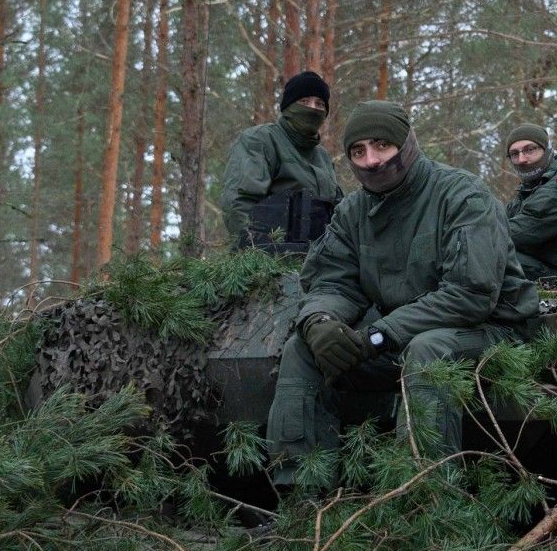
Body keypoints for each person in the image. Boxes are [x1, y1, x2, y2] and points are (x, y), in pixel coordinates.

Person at [266, 101, 538, 485]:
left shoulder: (462, 195)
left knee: (428, 348)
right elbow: (333, 281)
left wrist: (378, 336)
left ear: (406, 144)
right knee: (303, 349)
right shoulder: (352, 211)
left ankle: (423, 495)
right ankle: (301, 496)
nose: (371, 160)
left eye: (382, 145)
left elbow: (471, 295)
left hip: (492, 332)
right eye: (358, 151)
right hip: (399, 338)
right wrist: (319, 321)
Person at [220, 70, 344, 249]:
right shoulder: (260, 140)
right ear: (288, 106)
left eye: (320, 104)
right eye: (304, 102)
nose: (313, 109)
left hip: (318, 258)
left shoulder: (323, 157)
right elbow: (238, 204)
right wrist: (257, 253)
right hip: (269, 256)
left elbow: (339, 214)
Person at [502, 123, 557, 280]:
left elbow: (521, 231)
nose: (521, 159)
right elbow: (498, 222)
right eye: (514, 154)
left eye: (530, 149)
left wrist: (473, 239)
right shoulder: (526, 191)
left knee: (490, 253)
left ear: (547, 149)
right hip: (538, 267)